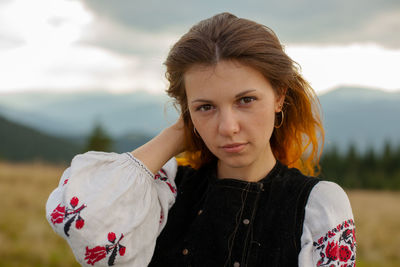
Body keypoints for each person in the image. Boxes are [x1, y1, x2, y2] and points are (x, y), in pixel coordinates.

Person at [46, 12, 356, 267]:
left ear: (279, 97)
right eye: (206, 107)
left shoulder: (318, 205)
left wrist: (201, 112)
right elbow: (82, 223)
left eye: (245, 100)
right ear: (187, 114)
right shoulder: (163, 191)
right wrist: (175, 136)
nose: (228, 127)